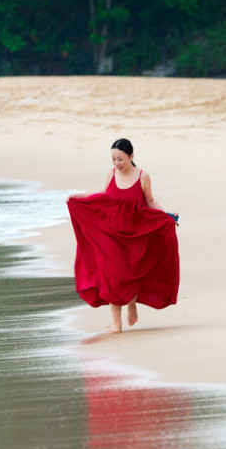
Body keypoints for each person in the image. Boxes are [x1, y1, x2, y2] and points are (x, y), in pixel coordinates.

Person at [67, 138, 180, 333]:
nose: (117, 164)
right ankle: (116, 323)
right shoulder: (110, 174)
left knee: (133, 272)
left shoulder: (143, 176)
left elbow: (150, 201)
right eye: (113, 159)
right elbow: (104, 194)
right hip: (111, 233)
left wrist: (167, 217)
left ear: (131, 157)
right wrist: (79, 196)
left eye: (120, 159)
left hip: (136, 232)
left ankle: (132, 302)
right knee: (113, 275)